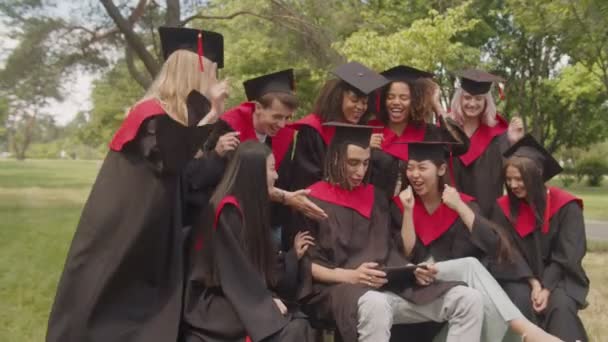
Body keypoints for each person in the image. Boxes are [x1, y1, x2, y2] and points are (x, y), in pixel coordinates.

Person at [46, 26, 228, 342]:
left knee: (142, 307)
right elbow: (171, 158)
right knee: (107, 303)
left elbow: (184, 172)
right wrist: (212, 111)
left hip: (150, 228)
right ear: (192, 72)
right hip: (125, 229)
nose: (214, 83)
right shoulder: (151, 114)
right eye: (211, 74)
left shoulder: (170, 118)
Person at [296, 122, 488, 342]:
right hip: (339, 289)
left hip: (388, 283)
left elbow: (390, 249)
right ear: (335, 158)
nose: (361, 171)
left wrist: (410, 270)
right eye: (353, 163)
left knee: (468, 299)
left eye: (366, 163)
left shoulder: (376, 197)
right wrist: (351, 275)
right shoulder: (310, 200)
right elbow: (306, 264)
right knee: (376, 304)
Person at [391, 134, 563, 342]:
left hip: (453, 286)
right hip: (416, 281)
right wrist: (408, 212)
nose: (415, 174)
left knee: (474, 272)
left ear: (442, 169)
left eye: (422, 167)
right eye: (410, 168)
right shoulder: (400, 205)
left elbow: (493, 246)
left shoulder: (463, 205)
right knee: (471, 266)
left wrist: (460, 207)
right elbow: (404, 253)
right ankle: (531, 334)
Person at [181, 141, 315, 342]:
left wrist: (290, 257)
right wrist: (265, 303)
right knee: (290, 327)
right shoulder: (227, 211)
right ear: (254, 172)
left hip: (235, 295)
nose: (276, 175)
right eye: (271, 169)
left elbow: (251, 264)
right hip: (213, 303)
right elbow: (235, 271)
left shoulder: (244, 205)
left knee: (297, 320)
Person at [185, 69, 327, 231]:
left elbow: (282, 179)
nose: (282, 125)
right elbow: (220, 179)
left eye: (286, 118)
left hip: (264, 220)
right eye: (276, 116)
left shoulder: (284, 135)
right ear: (258, 108)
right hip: (225, 220)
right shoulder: (228, 127)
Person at [491, 134, 589, 342]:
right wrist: (533, 282)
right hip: (519, 277)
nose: (513, 185)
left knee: (560, 305)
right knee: (519, 301)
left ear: (537, 176)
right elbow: (507, 252)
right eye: (509, 179)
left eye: (520, 179)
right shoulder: (503, 208)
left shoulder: (567, 207)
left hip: (561, 276)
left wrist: (546, 287)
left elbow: (568, 255)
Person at [289, 61, 389, 190]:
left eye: (364, 102)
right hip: (317, 200)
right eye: (354, 100)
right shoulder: (313, 129)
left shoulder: (361, 130)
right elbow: (305, 177)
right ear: (337, 98)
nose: (360, 107)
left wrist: (363, 147)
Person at [438, 69, 525, 216]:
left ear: (486, 102)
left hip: (487, 215)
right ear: (459, 99)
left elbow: (512, 172)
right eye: (467, 97)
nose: (472, 103)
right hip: (449, 213)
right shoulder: (445, 131)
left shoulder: (499, 135)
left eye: (478, 98)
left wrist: (514, 142)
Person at [367, 65, 442, 198]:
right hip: (374, 210)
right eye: (390, 97)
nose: (396, 102)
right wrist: (365, 147)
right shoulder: (369, 130)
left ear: (414, 101)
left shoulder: (428, 133)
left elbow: (460, 145)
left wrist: (436, 105)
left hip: (414, 210)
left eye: (404, 97)